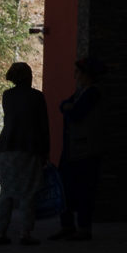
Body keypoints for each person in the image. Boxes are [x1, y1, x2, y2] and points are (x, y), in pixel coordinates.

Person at [0, 62, 49, 247]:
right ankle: (25, 233)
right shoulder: (37, 97)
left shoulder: (7, 96)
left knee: (6, 192)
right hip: (29, 148)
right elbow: (43, 126)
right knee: (28, 192)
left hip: (6, 148)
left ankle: (1, 232)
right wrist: (45, 151)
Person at [51, 56, 105, 241]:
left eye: (78, 72)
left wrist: (69, 107)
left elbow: (74, 113)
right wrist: (68, 107)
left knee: (83, 190)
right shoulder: (83, 92)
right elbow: (65, 106)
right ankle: (69, 226)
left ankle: (81, 228)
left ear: (86, 74)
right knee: (67, 188)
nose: (75, 76)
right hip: (75, 148)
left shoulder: (92, 93)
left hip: (84, 150)